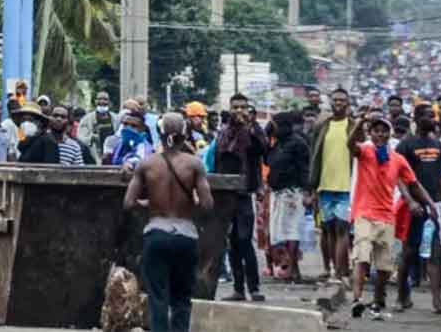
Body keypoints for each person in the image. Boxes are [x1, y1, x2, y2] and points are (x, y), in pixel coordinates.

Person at [124, 112, 213, 332]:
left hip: (156, 233)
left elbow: (128, 203)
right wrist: (191, 201)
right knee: (182, 297)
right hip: (186, 236)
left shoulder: (147, 164)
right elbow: (208, 205)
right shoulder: (194, 165)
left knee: (158, 297)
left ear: (160, 135)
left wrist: (147, 204)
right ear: (184, 136)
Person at [347, 115, 439, 321]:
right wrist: (358, 125)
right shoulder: (365, 151)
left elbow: (413, 184)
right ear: (370, 133)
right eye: (376, 131)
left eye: (383, 131)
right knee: (361, 257)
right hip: (364, 213)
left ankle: (378, 301)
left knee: (384, 266)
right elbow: (350, 144)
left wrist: (431, 204)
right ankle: (357, 300)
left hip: (386, 216)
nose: (380, 134)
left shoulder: (397, 159)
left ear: (389, 134)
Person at [394, 113, 441, 315]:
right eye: (428, 114)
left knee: (436, 254)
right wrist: (410, 201)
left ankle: (438, 302)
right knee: (409, 252)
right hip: (413, 206)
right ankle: (402, 296)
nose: (432, 118)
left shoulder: (439, 145)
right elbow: (398, 176)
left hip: (434, 205)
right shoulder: (406, 145)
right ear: (417, 118)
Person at [217, 93, 267, 302]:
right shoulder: (224, 132)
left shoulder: (254, 130)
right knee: (232, 242)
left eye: (243, 107)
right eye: (235, 107)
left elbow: (262, 149)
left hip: (245, 193)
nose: (239, 111)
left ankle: (253, 288)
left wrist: (248, 128)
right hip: (227, 194)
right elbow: (221, 156)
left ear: (248, 110)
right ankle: (238, 289)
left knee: (245, 241)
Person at [307, 87, 354, 286]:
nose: (338, 103)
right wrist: (312, 187)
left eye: (342, 100)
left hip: (346, 187)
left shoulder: (353, 126)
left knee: (342, 229)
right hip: (324, 186)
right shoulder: (323, 126)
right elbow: (313, 155)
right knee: (327, 230)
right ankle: (331, 269)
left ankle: (340, 271)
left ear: (348, 103)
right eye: (335, 100)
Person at [265, 111, 310, 282]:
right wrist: (268, 133)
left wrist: (307, 192)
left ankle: (293, 269)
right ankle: (288, 266)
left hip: (292, 192)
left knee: (292, 231)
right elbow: (267, 160)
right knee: (279, 232)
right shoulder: (278, 143)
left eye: (275, 126)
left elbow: (305, 169)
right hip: (278, 192)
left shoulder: (298, 143)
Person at [18, 104, 95, 165]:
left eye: (63, 117)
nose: (59, 119)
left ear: (68, 121)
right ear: (50, 118)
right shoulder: (39, 140)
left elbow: (80, 173)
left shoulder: (75, 147)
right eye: (55, 116)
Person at [78, 91, 117, 161]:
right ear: (95, 101)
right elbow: (80, 137)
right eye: (99, 99)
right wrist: (91, 138)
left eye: (105, 99)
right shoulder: (86, 119)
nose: (102, 101)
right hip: (93, 157)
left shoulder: (116, 118)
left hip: (112, 157)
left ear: (109, 102)